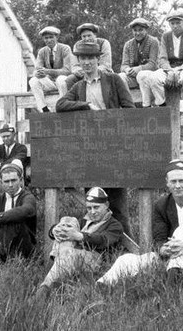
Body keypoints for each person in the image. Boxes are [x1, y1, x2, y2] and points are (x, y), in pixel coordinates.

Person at [56, 42, 134, 234]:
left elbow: (130, 109)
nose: (87, 62)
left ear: (97, 59)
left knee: (117, 203)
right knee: (93, 202)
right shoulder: (78, 86)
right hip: (90, 151)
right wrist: (86, 105)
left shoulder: (113, 80)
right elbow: (61, 104)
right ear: (79, 62)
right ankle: (97, 245)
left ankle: (126, 247)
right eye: (83, 58)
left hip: (114, 149)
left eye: (90, 58)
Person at [96, 160, 183, 286]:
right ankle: (102, 284)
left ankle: (174, 285)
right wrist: (164, 249)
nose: (177, 185)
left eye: (181, 181)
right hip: (171, 255)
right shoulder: (161, 205)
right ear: (167, 183)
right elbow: (159, 239)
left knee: (182, 231)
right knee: (126, 259)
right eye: (173, 181)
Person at [36, 187, 123, 299]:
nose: (92, 212)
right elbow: (66, 230)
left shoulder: (114, 225)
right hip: (71, 255)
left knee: (69, 253)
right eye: (89, 208)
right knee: (68, 221)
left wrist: (80, 236)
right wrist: (53, 230)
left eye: (96, 207)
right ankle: (53, 286)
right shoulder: (84, 221)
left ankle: (45, 288)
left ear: (106, 205)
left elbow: (103, 241)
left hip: (95, 259)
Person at [151, 11, 183, 120]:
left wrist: (179, 70)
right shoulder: (166, 36)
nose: (175, 26)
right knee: (154, 78)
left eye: (178, 23)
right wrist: (169, 71)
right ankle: (162, 107)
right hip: (170, 68)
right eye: (172, 23)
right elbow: (162, 58)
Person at [118, 17, 161, 107]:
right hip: (133, 77)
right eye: (135, 30)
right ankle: (128, 106)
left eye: (141, 30)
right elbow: (123, 65)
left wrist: (139, 69)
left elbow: (153, 64)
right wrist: (127, 70)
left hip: (148, 76)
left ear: (146, 30)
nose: (137, 33)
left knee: (143, 75)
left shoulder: (153, 42)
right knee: (120, 77)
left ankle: (147, 106)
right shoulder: (128, 44)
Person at [29, 26, 72, 112]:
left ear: (57, 37)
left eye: (51, 37)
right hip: (50, 83)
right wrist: (37, 73)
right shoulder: (42, 51)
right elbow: (38, 68)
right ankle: (44, 109)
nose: (48, 40)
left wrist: (48, 71)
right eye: (46, 38)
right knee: (33, 81)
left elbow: (67, 70)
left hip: (63, 83)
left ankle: (61, 106)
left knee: (61, 79)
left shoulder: (65, 49)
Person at [66, 23, 113, 89]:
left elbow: (106, 65)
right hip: (83, 73)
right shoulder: (77, 45)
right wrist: (79, 71)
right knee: (70, 79)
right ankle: (73, 98)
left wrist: (92, 72)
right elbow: (74, 66)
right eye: (84, 36)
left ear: (95, 35)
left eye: (89, 35)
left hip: (101, 72)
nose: (87, 38)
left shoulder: (103, 43)